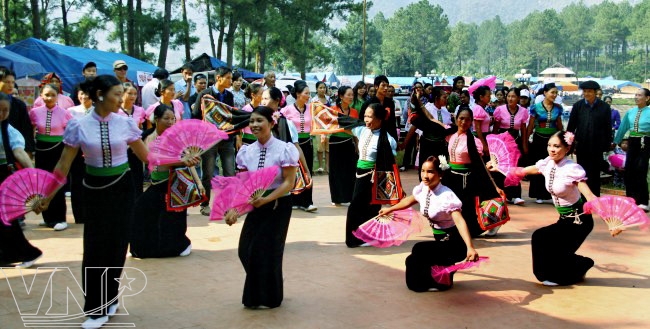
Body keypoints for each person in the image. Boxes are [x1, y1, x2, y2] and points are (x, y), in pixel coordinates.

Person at [35, 75, 192, 329]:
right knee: (95, 248)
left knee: (118, 246)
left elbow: (148, 157)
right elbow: (62, 166)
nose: (122, 99)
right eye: (117, 94)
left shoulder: (126, 124)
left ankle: (110, 298)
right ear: (99, 94)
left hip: (122, 189)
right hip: (93, 191)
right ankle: (95, 309)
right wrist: (48, 195)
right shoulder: (78, 125)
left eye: (123, 94)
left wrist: (181, 161)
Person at [497, 131, 599, 286]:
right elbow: (522, 171)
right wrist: (498, 167)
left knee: (558, 252)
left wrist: (611, 221)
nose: (552, 149)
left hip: (579, 221)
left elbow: (590, 197)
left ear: (567, 148)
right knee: (540, 237)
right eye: (550, 145)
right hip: (564, 220)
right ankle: (545, 275)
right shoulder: (547, 164)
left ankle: (582, 265)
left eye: (557, 146)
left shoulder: (572, 169)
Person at [226, 106, 299, 309]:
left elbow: (288, 182)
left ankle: (268, 296)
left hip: (278, 204)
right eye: (252, 121)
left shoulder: (284, 149)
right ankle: (268, 288)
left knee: (267, 250)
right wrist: (235, 208)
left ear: (271, 123)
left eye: (259, 121)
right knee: (245, 250)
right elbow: (243, 184)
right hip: (255, 205)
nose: (255, 125)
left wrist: (266, 199)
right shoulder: (246, 152)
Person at [379, 156, 479, 292]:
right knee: (418, 255)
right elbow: (408, 201)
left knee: (418, 252)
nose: (425, 176)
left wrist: (470, 247)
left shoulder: (446, 196)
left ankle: (434, 283)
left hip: (455, 242)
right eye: (423, 171)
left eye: (430, 172)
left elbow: (460, 221)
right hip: (441, 240)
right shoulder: (423, 189)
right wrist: (390, 209)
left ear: (440, 174)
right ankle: (443, 277)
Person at [130, 104, 198, 258]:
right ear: (156, 119)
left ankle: (181, 246)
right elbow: (150, 160)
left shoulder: (178, 137)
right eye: (166, 118)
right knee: (140, 211)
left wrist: (197, 181)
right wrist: (179, 160)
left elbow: (187, 158)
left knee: (173, 221)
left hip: (174, 184)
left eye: (173, 118)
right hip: (155, 184)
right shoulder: (147, 137)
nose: (170, 122)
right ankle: (141, 248)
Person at [0, 92, 43, 268]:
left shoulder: (9, 130)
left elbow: (19, 152)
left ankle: (29, 253)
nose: (2, 114)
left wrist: (34, 177)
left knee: (6, 220)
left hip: (2, 176)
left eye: (5, 110)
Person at [345, 103, 398, 247]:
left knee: (365, 207)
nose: (366, 119)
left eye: (370, 116)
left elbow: (390, 163)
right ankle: (364, 237)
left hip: (374, 176)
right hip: (359, 174)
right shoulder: (361, 130)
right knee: (362, 206)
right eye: (365, 116)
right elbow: (342, 123)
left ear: (380, 119)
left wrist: (392, 186)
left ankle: (358, 238)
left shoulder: (388, 139)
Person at [192, 67, 237, 216]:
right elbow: (196, 116)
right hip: (209, 141)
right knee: (208, 173)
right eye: (228, 78)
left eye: (231, 78)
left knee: (230, 172)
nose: (231, 81)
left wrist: (235, 135)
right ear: (219, 78)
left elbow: (230, 116)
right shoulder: (204, 95)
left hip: (227, 140)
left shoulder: (229, 95)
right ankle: (205, 204)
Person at [30, 83, 73, 231]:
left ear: (58, 97)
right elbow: (31, 131)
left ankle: (60, 218)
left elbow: (69, 134)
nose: (49, 98)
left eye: (53, 95)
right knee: (42, 183)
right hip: (41, 150)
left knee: (56, 182)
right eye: (46, 95)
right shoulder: (34, 112)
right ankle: (47, 218)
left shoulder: (65, 113)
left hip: (58, 150)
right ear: (41, 95)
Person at [567, 80, 612, 197]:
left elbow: (608, 127)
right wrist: (570, 144)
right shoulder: (578, 106)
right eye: (585, 91)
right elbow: (571, 126)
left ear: (596, 92)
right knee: (581, 171)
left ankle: (595, 196)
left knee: (595, 172)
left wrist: (607, 144)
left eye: (589, 92)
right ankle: (582, 195)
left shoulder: (605, 107)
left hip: (597, 145)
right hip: (582, 144)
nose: (587, 94)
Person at [281, 80, 317, 212]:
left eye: (309, 93)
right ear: (298, 94)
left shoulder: (312, 109)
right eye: (306, 93)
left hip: (307, 143)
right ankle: (293, 200)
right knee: (293, 171)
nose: (309, 96)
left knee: (307, 170)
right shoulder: (287, 110)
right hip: (291, 145)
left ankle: (307, 201)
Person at [613, 88, 650, 211]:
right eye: (636, 95)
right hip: (632, 141)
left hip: (645, 141)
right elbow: (623, 127)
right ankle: (631, 200)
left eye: (639, 95)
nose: (636, 97)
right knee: (629, 170)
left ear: (647, 98)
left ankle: (644, 201)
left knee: (641, 170)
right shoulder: (630, 112)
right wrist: (616, 141)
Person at [492, 87, 529, 205]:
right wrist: (494, 144)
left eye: (513, 96)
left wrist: (524, 144)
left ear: (518, 98)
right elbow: (496, 128)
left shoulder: (523, 111)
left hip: (515, 141)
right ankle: (501, 194)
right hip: (502, 142)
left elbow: (523, 129)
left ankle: (516, 195)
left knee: (514, 168)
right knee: (500, 168)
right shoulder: (499, 109)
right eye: (508, 96)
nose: (510, 99)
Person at [527, 83, 563, 204]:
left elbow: (559, 125)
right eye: (552, 92)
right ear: (545, 93)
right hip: (539, 139)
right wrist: (526, 141)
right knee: (539, 165)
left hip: (552, 141)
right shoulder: (535, 107)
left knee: (552, 165)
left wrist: (562, 140)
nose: (554, 95)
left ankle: (551, 193)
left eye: (556, 93)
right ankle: (538, 194)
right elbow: (531, 125)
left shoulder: (558, 108)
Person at [67, 90, 94, 224]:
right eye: (81, 94)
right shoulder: (71, 111)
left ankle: (91, 212)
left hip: (93, 151)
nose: (84, 97)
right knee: (77, 182)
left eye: (87, 94)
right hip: (76, 151)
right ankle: (78, 215)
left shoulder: (98, 111)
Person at [328, 86, 358, 206]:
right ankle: (336, 198)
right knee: (336, 171)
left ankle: (349, 197)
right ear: (341, 96)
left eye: (352, 95)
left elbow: (356, 130)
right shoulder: (333, 110)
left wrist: (357, 144)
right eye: (349, 95)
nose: (351, 97)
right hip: (335, 143)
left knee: (350, 171)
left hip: (349, 144)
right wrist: (346, 130)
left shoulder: (354, 112)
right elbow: (330, 128)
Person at [119, 83, 146, 199]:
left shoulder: (140, 110)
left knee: (137, 177)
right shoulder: (116, 111)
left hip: (136, 149)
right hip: (121, 149)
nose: (132, 96)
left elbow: (141, 128)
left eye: (135, 94)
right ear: (122, 94)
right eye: (129, 93)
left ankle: (138, 204)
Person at [0, 68, 34, 157]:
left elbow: (26, 128)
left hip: (16, 149)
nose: (11, 85)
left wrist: (28, 150)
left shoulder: (19, 104)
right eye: (7, 82)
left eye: (13, 82)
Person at [418, 86, 452, 170]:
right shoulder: (428, 109)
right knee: (427, 165)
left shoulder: (445, 111)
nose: (446, 99)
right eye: (444, 97)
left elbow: (448, 125)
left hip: (441, 144)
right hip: (428, 144)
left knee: (441, 167)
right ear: (437, 98)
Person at [360, 75, 398, 141]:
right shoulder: (368, 103)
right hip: (372, 135)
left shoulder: (390, 102)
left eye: (387, 86)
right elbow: (361, 121)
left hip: (388, 135)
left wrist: (395, 138)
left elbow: (392, 121)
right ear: (376, 87)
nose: (386, 88)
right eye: (383, 86)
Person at [311, 81, 331, 173]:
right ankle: (320, 166)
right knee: (320, 147)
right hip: (318, 127)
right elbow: (312, 114)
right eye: (320, 88)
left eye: (324, 87)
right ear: (316, 89)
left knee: (327, 148)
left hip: (328, 127)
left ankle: (327, 166)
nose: (323, 89)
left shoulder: (329, 99)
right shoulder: (314, 100)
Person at [471, 85, 492, 158]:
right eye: (488, 96)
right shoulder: (478, 109)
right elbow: (478, 128)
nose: (490, 98)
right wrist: (484, 144)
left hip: (484, 136)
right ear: (481, 97)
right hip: (480, 137)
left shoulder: (482, 108)